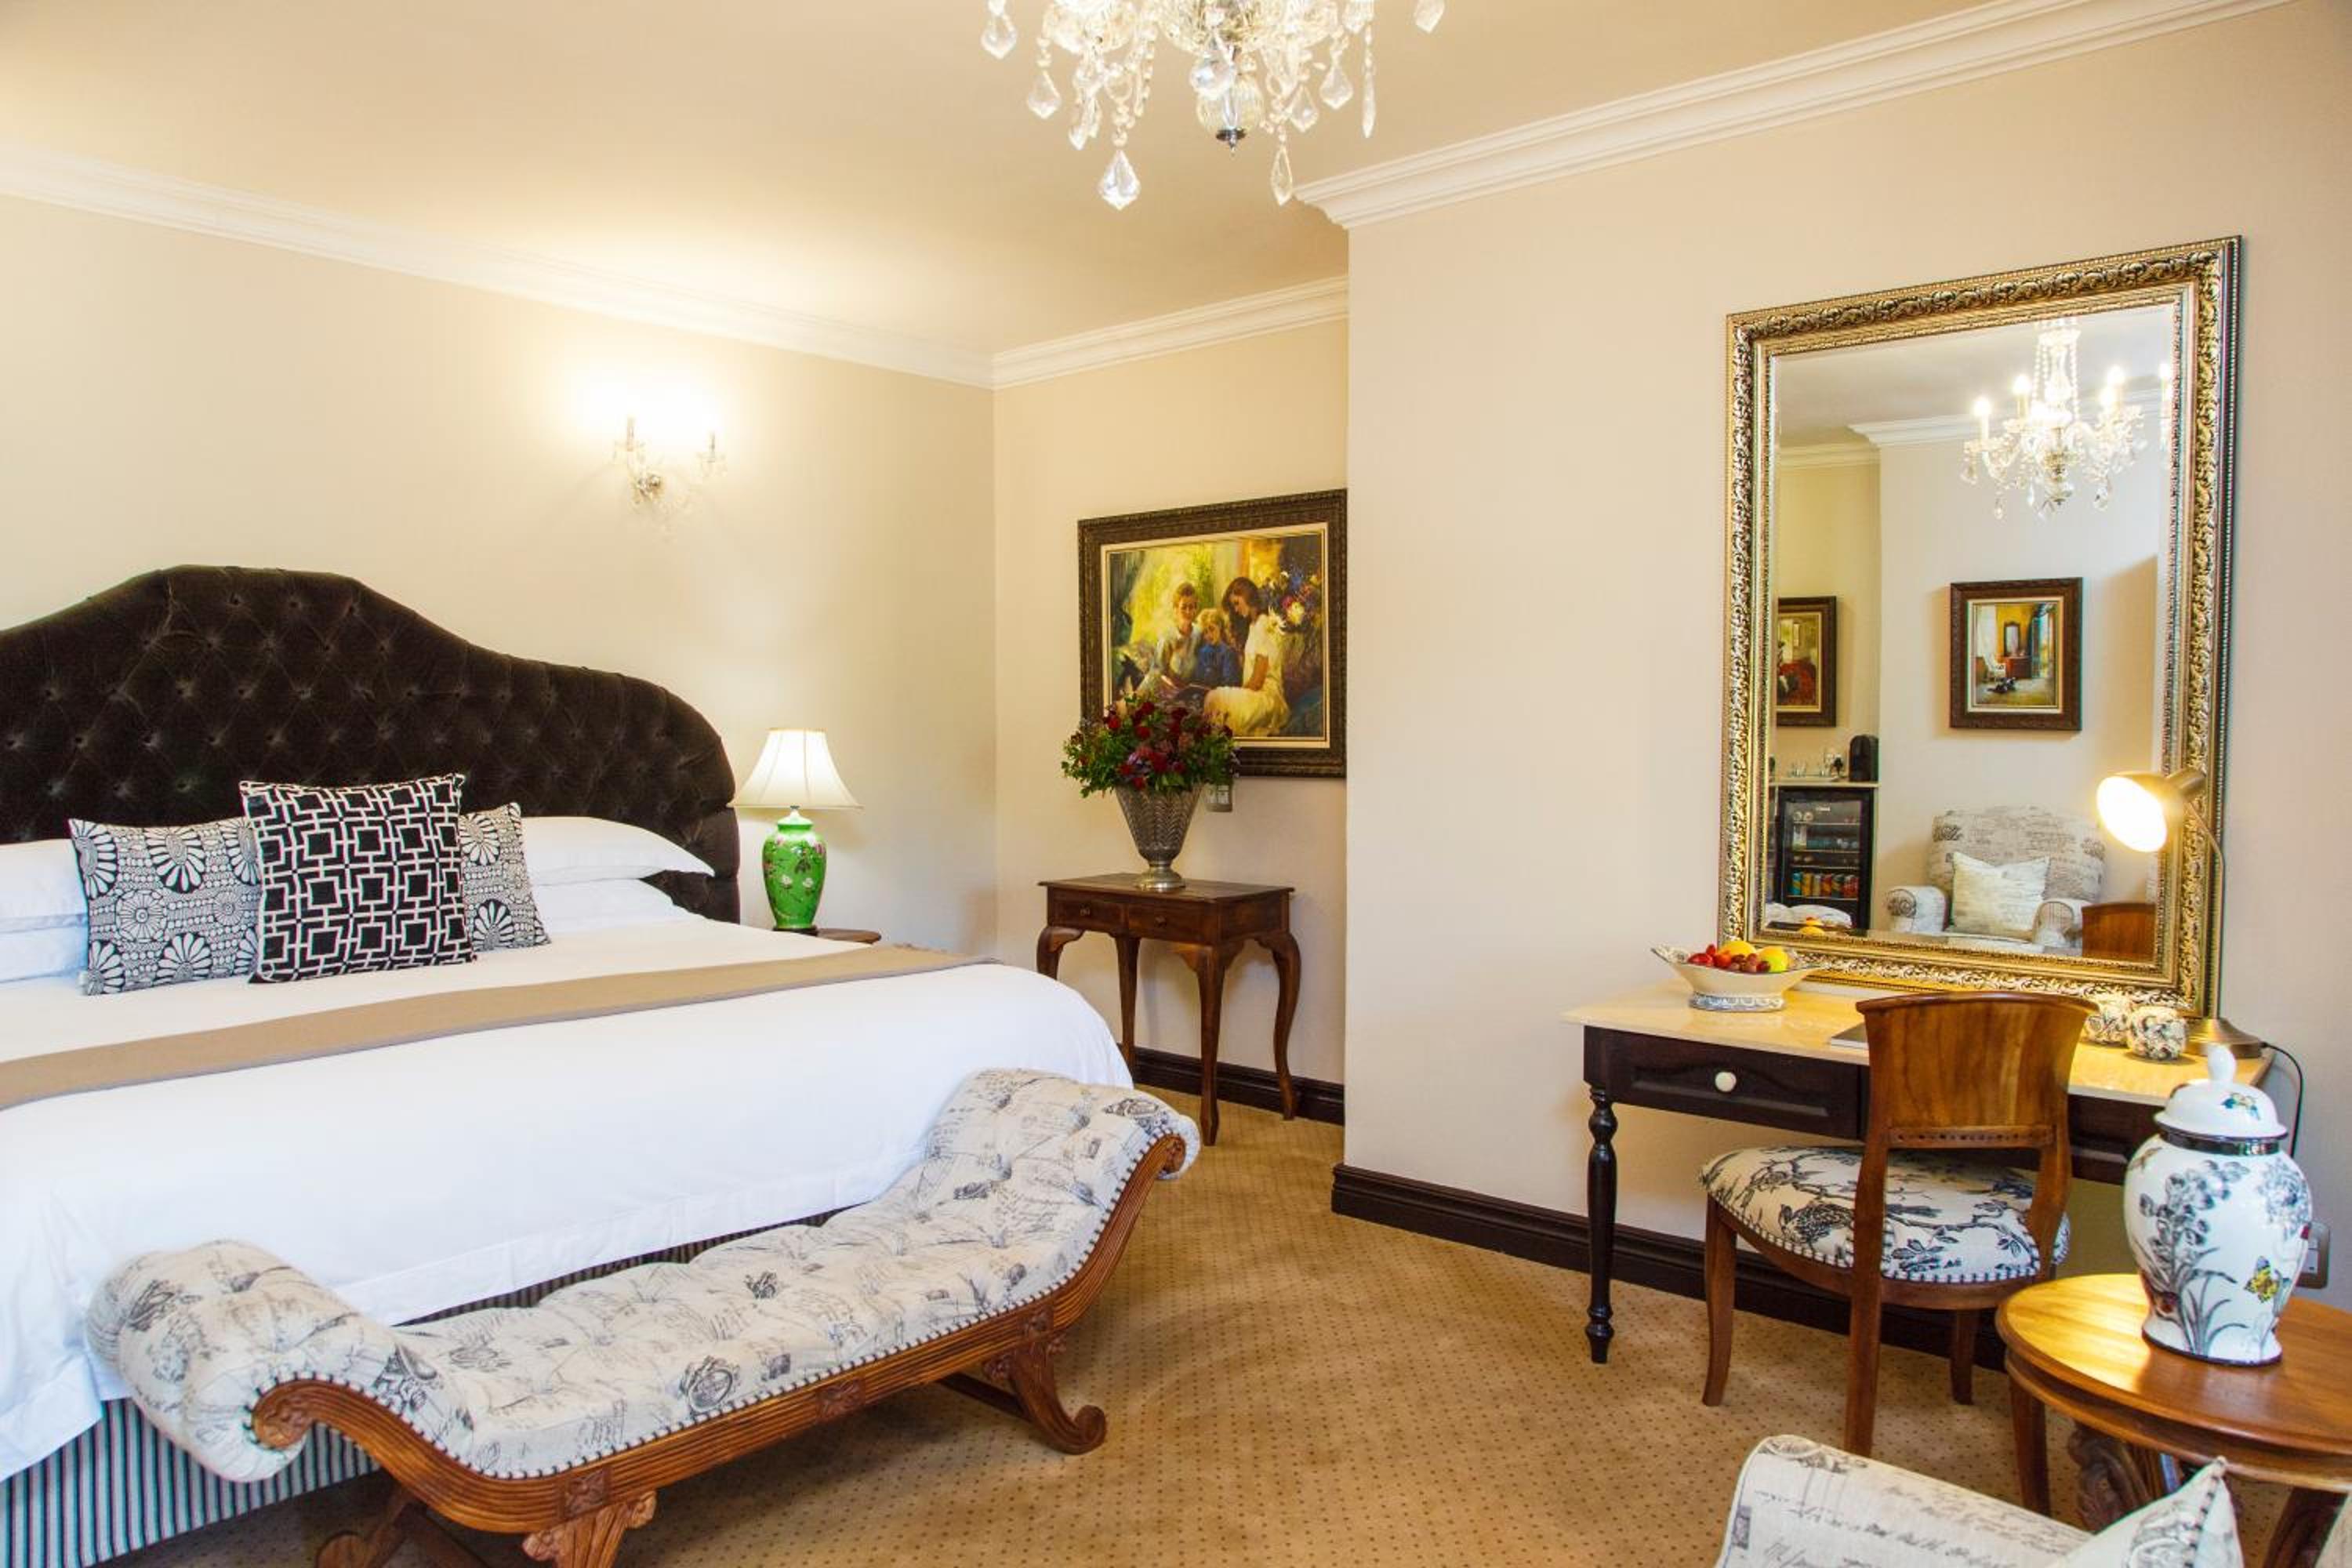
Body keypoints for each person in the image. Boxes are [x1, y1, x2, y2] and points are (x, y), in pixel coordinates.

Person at [1202, 576, 1290, 737]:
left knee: (1216, 699)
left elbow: (1257, 681)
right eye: (1233, 606)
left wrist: (1236, 696)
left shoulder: (1264, 623)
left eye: (1237, 603)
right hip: (1255, 694)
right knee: (1213, 699)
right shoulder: (1253, 626)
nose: (1235, 610)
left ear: (1247, 595)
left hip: (1267, 699)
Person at [1135, 583, 1200, 702]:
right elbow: (1156, 671)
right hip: (1169, 691)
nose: (1188, 611)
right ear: (1176, 609)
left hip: (1193, 692)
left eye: (1192, 607)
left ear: (1196, 609)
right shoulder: (1168, 637)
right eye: (1184, 607)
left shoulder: (1199, 633)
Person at [1191, 605, 1241, 691]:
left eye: (1212, 629)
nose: (1209, 635)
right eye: (1205, 632)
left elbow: (1229, 684)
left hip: (1222, 695)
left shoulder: (1228, 653)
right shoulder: (1202, 652)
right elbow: (1198, 679)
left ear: (1220, 626)